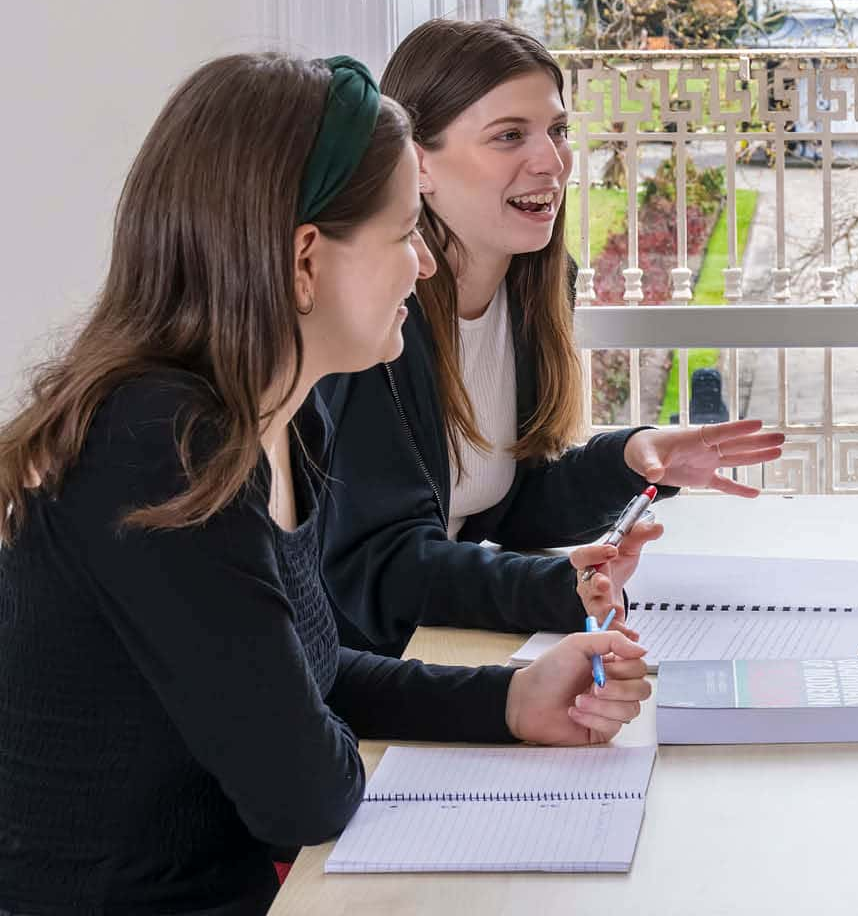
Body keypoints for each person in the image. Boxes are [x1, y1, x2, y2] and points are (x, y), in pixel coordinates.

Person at [0, 54, 649, 916]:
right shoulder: (163, 446)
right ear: (306, 259)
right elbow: (302, 790)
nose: (424, 265)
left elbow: (301, 677)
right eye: (403, 232)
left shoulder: (282, 415)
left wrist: (510, 700)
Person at [318, 19, 783, 658]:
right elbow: (380, 566)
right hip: (373, 677)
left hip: (442, 648)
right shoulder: (373, 317)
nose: (553, 161)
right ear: (417, 162)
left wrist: (633, 458)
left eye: (558, 131)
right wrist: (564, 588)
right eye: (510, 136)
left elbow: (505, 507)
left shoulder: (538, 284)